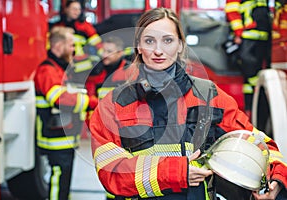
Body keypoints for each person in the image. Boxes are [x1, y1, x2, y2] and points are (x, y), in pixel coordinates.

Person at [89, 7, 287, 200]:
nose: (158, 50)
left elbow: (259, 144)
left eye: (167, 40)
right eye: (149, 41)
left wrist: (277, 180)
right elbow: (110, 173)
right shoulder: (113, 105)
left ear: (181, 45)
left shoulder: (210, 97)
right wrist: (177, 173)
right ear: (139, 47)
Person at [34, 26, 98, 200]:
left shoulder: (60, 69)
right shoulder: (47, 70)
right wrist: (93, 102)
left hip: (64, 136)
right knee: (59, 179)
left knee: (63, 180)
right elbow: (61, 99)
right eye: (70, 45)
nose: (73, 49)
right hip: (55, 138)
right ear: (58, 46)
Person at [224, 0, 272, 116]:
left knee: (256, 74)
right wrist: (239, 32)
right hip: (248, 37)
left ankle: (254, 107)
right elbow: (231, 10)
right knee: (250, 74)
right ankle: (251, 107)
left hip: (265, 38)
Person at [54, 0, 103, 73]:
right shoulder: (58, 26)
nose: (77, 12)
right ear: (66, 9)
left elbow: (97, 44)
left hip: (83, 65)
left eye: (79, 9)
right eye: (74, 9)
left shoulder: (85, 27)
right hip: (63, 65)